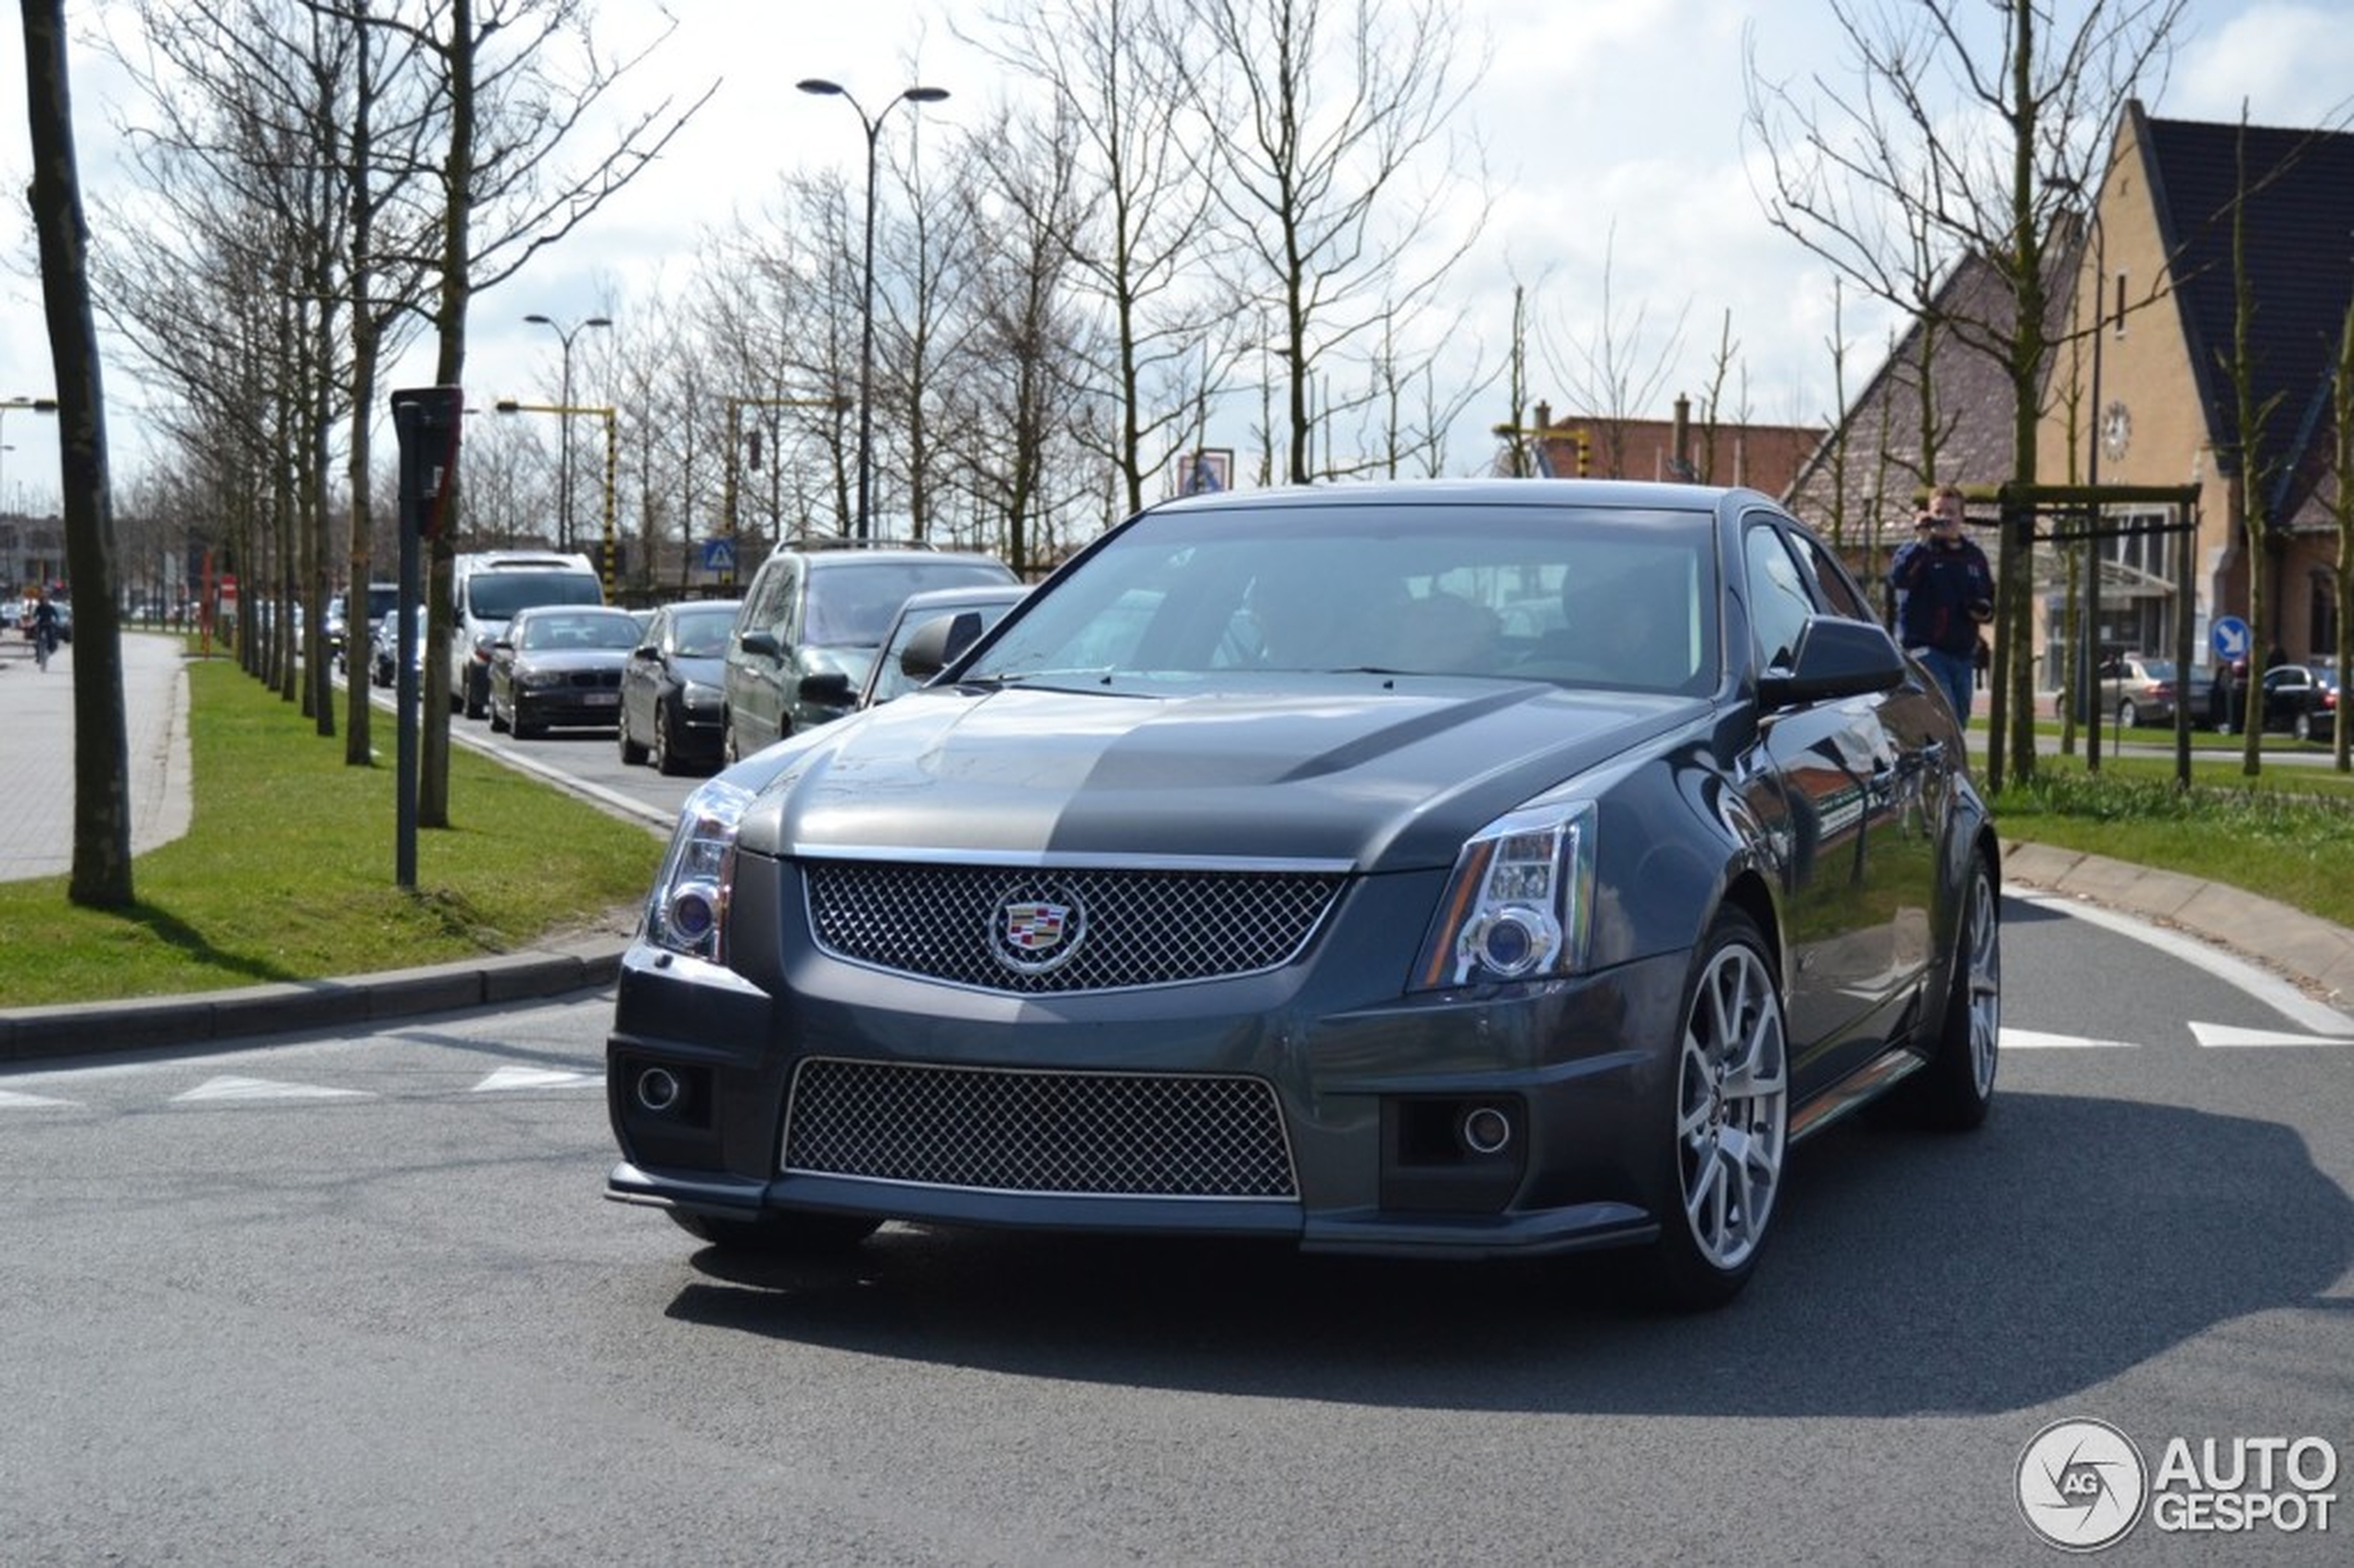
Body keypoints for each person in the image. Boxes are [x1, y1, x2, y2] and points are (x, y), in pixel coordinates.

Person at [1888, 483, 1995, 726]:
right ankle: (1942, 762)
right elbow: (1900, 579)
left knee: (1959, 718)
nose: (1944, 518)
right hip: (1927, 651)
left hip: (1963, 653)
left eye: (1951, 512)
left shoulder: (1974, 557)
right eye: (1939, 512)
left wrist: (1983, 611)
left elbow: (1989, 599)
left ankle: (1946, 763)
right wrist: (1921, 540)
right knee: (1942, 715)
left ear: (1961, 516)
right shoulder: (1918, 551)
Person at [29, 589, 59, 672]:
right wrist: (34, 620)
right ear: (42, 600)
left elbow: (56, 615)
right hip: (41, 624)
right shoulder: (39, 607)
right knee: (38, 640)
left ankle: (50, 648)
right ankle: (38, 656)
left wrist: (56, 620)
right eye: (44, 599)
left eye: (47, 599)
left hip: (49, 624)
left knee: (51, 638)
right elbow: (35, 615)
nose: (45, 601)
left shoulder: (51, 607)